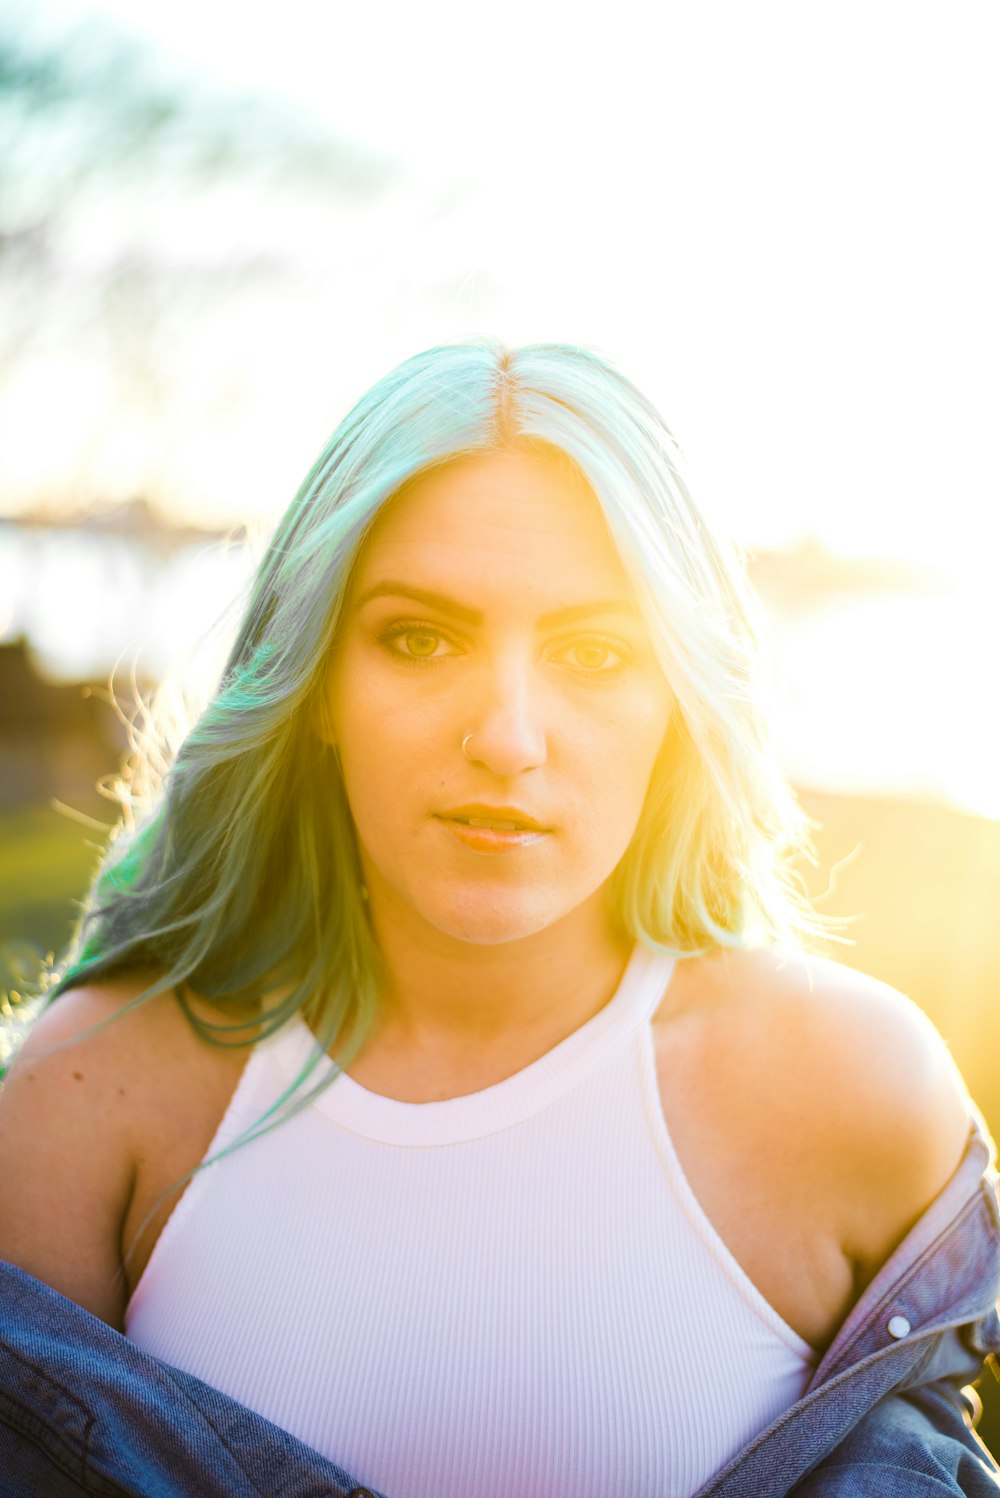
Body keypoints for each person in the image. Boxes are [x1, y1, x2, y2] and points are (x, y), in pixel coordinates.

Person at [1, 338, 998, 1498]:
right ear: (316, 679)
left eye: (592, 651)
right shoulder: (95, 1096)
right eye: (419, 637)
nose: (508, 737)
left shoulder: (853, 1091)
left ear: (678, 700)